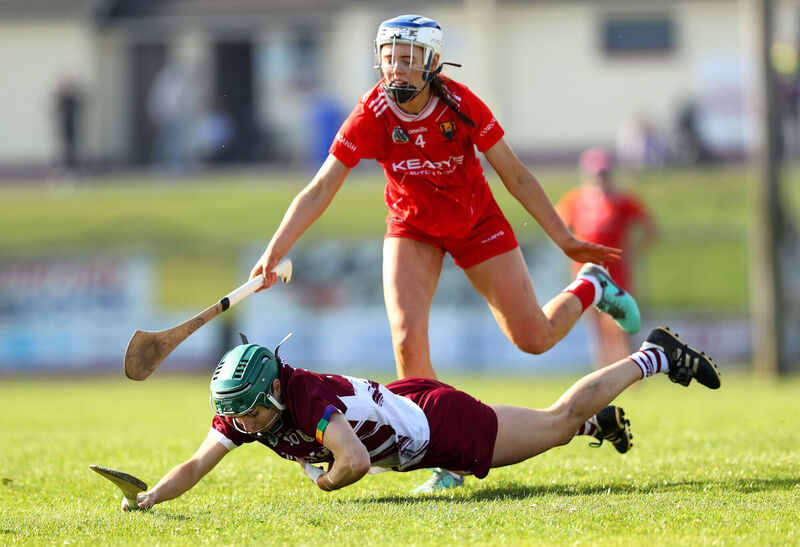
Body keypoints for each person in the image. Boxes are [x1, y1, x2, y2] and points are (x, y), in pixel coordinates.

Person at [249, 14, 640, 492]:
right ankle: (443, 459)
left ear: (432, 62)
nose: (397, 69)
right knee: (407, 337)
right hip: (412, 228)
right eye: (389, 58)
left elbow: (516, 176)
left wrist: (565, 239)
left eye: (408, 59)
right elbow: (320, 188)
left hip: (477, 225)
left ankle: (591, 284)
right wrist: (274, 251)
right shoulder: (371, 114)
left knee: (533, 338)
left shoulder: (462, 105)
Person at [121, 327, 720, 510]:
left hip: (438, 426)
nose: (241, 424)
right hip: (410, 408)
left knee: (556, 419)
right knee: (554, 426)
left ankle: (656, 355)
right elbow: (197, 463)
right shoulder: (258, 413)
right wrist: (151, 497)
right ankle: (601, 424)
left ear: (272, 392)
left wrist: (325, 483)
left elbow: (353, 462)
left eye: (246, 409)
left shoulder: (301, 399)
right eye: (234, 415)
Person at [557, 149, 658, 367]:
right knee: (596, 330)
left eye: (604, 175)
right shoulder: (576, 200)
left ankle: (630, 373)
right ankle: (601, 376)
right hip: (585, 272)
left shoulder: (622, 201)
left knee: (620, 326)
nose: (600, 180)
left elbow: (650, 228)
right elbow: (558, 227)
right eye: (596, 175)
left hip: (615, 274)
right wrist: (572, 249)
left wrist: (632, 251)